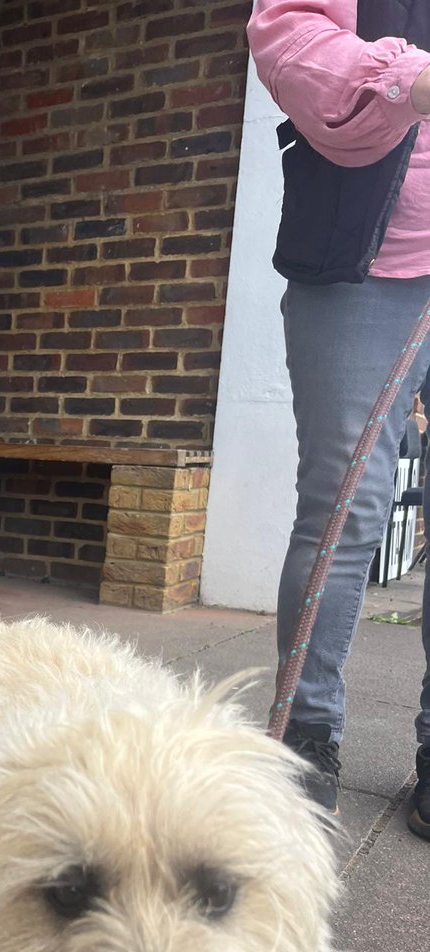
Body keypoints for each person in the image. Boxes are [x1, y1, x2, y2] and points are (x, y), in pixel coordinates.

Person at [247, 0, 430, 839]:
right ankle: (304, 735)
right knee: (344, 511)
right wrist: (409, 75)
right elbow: (290, 37)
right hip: (367, 271)